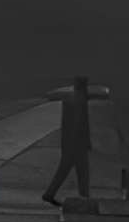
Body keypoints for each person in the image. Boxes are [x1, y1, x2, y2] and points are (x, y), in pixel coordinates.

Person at [41, 74, 114, 209]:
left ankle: (51, 193)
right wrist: (83, 142)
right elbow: (80, 123)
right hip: (76, 142)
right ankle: (83, 197)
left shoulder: (71, 97)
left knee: (70, 169)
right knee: (82, 170)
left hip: (71, 141)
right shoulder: (79, 98)